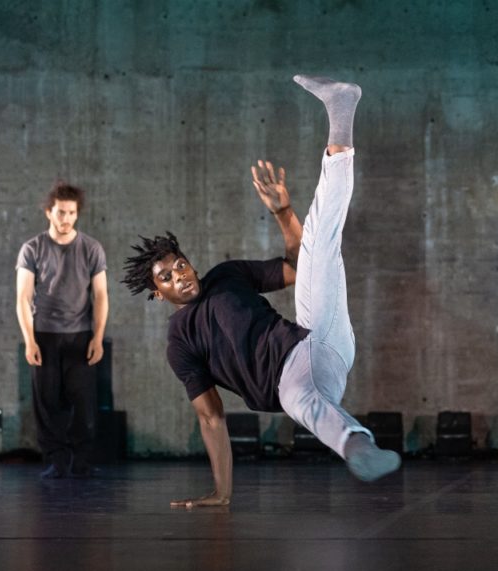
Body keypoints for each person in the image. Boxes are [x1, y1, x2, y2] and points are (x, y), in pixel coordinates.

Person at [122, 75, 400, 507]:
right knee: (298, 396)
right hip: (294, 381)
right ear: (158, 294)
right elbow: (212, 419)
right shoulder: (180, 342)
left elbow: (295, 267)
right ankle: (356, 445)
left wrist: (284, 212)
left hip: (319, 339)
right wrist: (222, 492)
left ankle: (341, 110)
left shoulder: (226, 274)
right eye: (166, 276)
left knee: (320, 244)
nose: (179, 274)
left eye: (180, 264)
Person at [16, 181, 109, 479]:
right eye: (60, 212)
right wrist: (29, 341)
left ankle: (81, 461)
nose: (65, 218)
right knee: (47, 402)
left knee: (83, 403)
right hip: (44, 335)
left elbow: (101, 295)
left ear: (77, 214)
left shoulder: (91, 248)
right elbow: (23, 297)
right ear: (49, 212)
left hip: (80, 335)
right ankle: (56, 461)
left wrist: (97, 336)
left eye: (71, 213)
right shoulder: (32, 248)